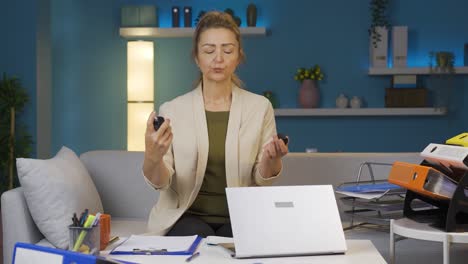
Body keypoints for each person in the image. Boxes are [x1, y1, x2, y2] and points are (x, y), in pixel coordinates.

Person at [142, 11, 288, 237]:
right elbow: (162, 182)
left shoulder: (260, 108)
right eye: (209, 50)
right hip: (186, 217)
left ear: (239, 56)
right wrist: (153, 157)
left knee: (240, 240)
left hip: (242, 216)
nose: (218, 58)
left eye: (227, 50)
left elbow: (262, 179)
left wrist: (272, 160)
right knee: (195, 236)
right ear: (197, 58)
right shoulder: (172, 110)